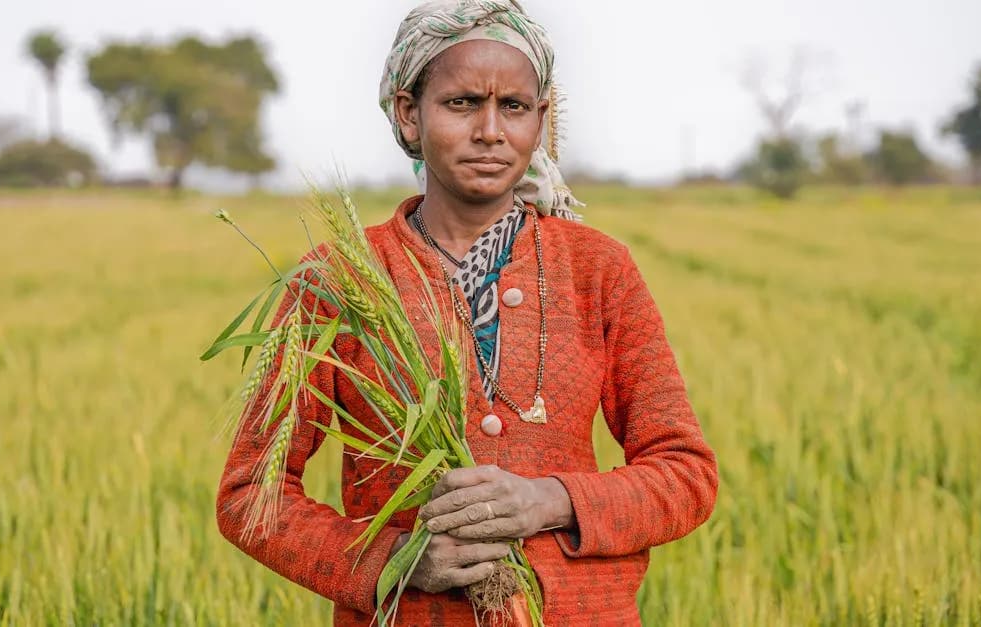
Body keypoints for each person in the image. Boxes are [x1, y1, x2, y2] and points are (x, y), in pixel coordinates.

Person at [216, 1, 718, 624]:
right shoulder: (340, 279)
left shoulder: (598, 270)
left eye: (513, 107)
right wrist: (395, 560)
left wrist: (547, 500)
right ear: (408, 115)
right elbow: (249, 495)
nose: (490, 131)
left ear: (540, 119)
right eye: (461, 103)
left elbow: (686, 475)